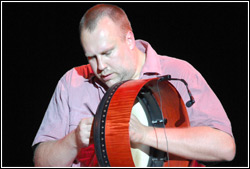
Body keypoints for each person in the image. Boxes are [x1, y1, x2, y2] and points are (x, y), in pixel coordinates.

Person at [32, 4, 236, 167]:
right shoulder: (72, 82)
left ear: (129, 39)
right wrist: (73, 141)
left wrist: (145, 134)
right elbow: (41, 162)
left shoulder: (177, 73)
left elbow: (225, 148)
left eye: (107, 53)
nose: (100, 66)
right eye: (91, 57)